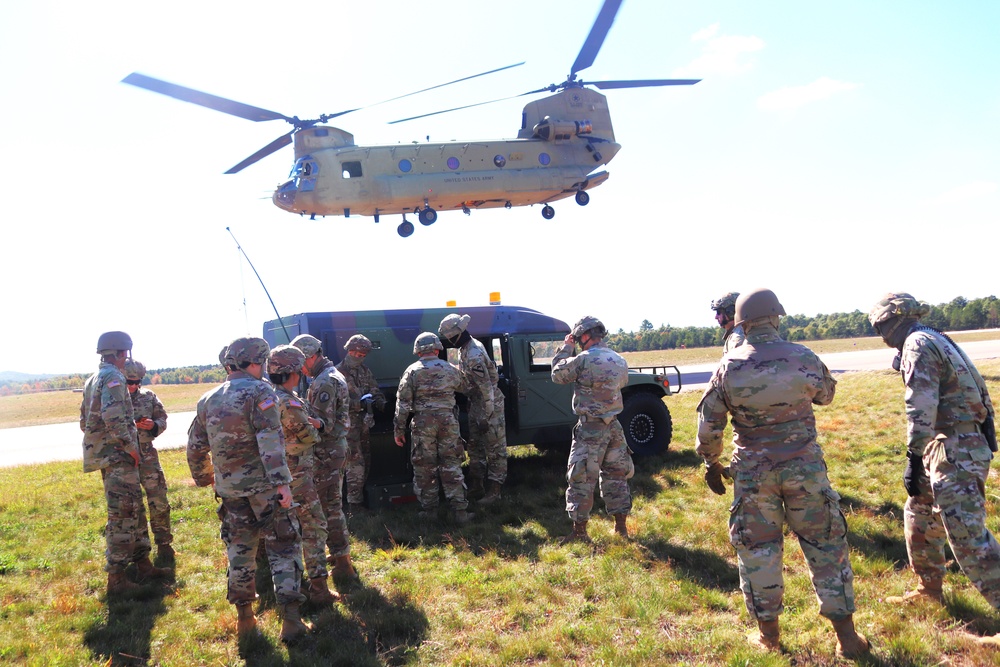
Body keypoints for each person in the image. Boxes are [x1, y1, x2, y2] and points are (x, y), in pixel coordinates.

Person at [696, 289, 868, 658]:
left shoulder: (730, 365)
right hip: (805, 470)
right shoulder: (803, 356)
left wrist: (711, 463)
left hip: (754, 476)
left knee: (758, 551)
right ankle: (847, 638)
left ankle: (769, 637)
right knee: (826, 547)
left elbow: (709, 426)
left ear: (741, 321)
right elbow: (826, 396)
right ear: (777, 317)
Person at [868, 292, 1000, 618]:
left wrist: (913, 458)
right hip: (953, 444)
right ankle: (928, 588)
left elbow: (920, 406)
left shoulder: (917, 344)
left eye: (882, 327)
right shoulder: (936, 338)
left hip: (953, 450)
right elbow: (975, 387)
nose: (881, 336)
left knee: (968, 537)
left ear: (894, 320)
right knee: (920, 513)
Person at [187, 336, 310, 643]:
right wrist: (283, 484)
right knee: (283, 547)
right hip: (266, 490)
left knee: (240, 553)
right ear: (256, 363)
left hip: (231, 492)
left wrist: (206, 479)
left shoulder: (208, 398)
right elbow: (270, 440)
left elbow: (195, 446)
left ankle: (245, 620)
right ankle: (291, 622)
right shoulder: (261, 392)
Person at [81, 331, 172, 595]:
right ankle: (117, 580)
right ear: (123, 353)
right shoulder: (112, 377)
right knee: (122, 516)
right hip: (118, 457)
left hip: (111, 456)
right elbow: (113, 418)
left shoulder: (93, 379)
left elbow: (85, 421)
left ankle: (143, 563)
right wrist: (130, 448)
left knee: (135, 512)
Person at [267, 344, 339, 605]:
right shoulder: (290, 401)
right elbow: (310, 436)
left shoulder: (266, 396)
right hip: (296, 472)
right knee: (314, 525)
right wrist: (315, 428)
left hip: (275, 474)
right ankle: (318, 587)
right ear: (293, 373)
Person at [550, 316, 633, 542]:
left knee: (581, 478)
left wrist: (566, 348)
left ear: (585, 336)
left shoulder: (583, 359)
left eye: (578, 338)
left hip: (591, 429)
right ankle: (621, 528)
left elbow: (557, 374)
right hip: (614, 426)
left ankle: (579, 533)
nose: (577, 342)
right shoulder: (619, 359)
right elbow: (622, 383)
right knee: (616, 476)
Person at [291, 333, 356, 579]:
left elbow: (324, 423)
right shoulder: (324, 377)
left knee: (330, 507)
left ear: (311, 356)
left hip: (327, 452)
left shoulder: (324, 382)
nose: (299, 369)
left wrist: (297, 415)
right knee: (330, 504)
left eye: (300, 363)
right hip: (331, 450)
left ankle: (343, 562)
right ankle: (339, 554)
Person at [393, 332, 474, 524]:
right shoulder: (449, 368)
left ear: (418, 350)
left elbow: (402, 404)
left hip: (423, 424)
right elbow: (466, 387)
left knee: (425, 468)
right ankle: (460, 512)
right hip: (448, 422)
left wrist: (398, 430)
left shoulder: (411, 371)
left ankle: (430, 512)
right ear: (437, 348)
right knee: (451, 465)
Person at [439, 313, 508, 505]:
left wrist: (487, 414)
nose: (449, 341)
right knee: (475, 446)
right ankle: (477, 485)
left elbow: (486, 387)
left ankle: (495, 491)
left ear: (457, 334)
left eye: (450, 337)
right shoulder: (466, 348)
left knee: (495, 449)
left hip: (489, 403)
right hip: (477, 402)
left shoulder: (474, 354)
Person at [123, 359, 174, 560]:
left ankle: (164, 543)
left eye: (137, 382)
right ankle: (139, 553)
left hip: (147, 455)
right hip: (124, 457)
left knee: (159, 498)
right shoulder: (113, 400)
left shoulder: (148, 396)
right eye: (129, 381)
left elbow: (163, 419)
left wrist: (153, 425)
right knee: (132, 505)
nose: (134, 386)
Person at [335, 334, 386, 511]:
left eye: (363, 355)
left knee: (366, 460)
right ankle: (354, 504)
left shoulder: (365, 371)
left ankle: (358, 497)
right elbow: (335, 404)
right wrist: (359, 404)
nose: (360, 357)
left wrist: (380, 402)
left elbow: (374, 389)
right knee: (354, 463)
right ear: (349, 351)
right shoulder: (337, 374)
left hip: (363, 425)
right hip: (347, 427)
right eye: (357, 354)